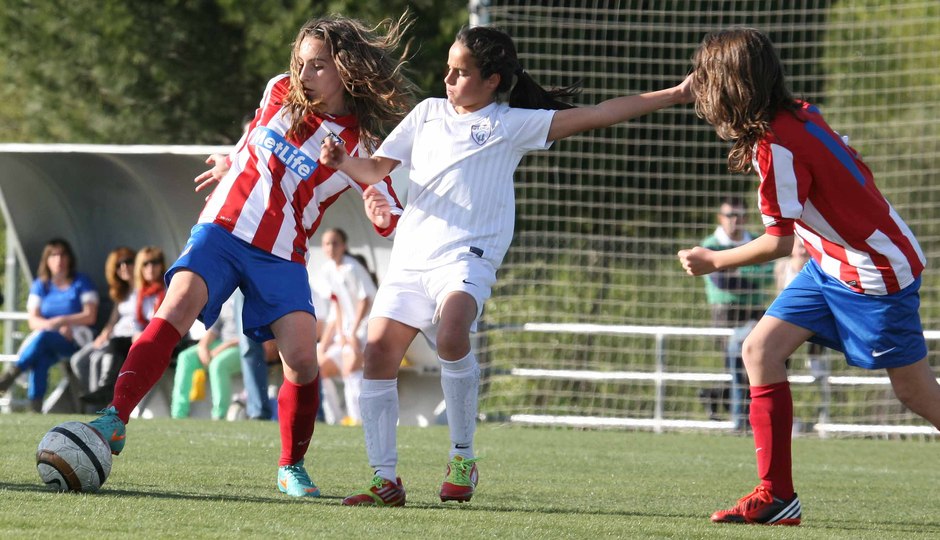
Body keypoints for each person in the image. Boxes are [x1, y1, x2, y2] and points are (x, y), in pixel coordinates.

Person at [320, 25, 693, 506]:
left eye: (461, 72)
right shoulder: (426, 113)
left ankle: (462, 459)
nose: (449, 79)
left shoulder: (510, 123)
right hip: (411, 258)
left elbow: (599, 113)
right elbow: (374, 171)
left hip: (466, 255)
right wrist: (343, 161)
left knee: (453, 331)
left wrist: (678, 93)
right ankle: (384, 479)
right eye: (449, 69)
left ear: (493, 80)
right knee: (376, 353)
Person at [86, 13, 412, 499]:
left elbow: (388, 210)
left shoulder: (359, 143)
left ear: (347, 68)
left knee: (303, 360)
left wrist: (381, 210)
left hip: (281, 255)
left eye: (318, 66)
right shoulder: (279, 89)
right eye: (301, 63)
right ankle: (114, 418)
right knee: (174, 308)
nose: (304, 75)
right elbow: (250, 140)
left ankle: (291, 466)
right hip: (222, 227)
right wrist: (230, 161)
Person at [677, 28, 937, 526]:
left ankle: (776, 494)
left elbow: (776, 241)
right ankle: (776, 496)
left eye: (707, 80)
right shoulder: (795, 112)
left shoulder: (777, 146)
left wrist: (713, 261)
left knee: (915, 392)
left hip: (872, 273)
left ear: (732, 86)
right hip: (830, 262)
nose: (700, 91)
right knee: (759, 350)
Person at [696, 196, 773, 430]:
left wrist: (735, 271)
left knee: (767, 362)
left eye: (739, 215)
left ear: (746, 218)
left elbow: (769, 274)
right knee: (737, 365)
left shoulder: (757, 242)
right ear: (721, 218)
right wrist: (750, 273)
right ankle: (741, 419)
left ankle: (717, 398)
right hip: (725, 313)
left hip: (756, 311)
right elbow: (721, 281)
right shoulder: (711, 244)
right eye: (729, 215)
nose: (734, 220)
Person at [0, 238, 98, 412]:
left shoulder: (81, 282)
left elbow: (90, 316)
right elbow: (33, 321)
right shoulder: (41, 285)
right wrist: (55, 325)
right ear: (46, 260)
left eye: (62, 254)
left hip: (75, 340)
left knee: (43, 338)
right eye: (53, 255)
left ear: (69, 258)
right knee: (41, 359)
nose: (58, 260)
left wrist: (63, 321)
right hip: (49, 339)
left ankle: (11, 375)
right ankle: (35, 408)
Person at [79, 246, 167, 409]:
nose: (150, 268)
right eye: (146, 264)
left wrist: (139, 334)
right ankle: (97, 399)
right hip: (126, 337)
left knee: (104, 355)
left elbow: (157, 322)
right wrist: (105, 334)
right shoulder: (131, 293)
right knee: (81, 359)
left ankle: (103, 400)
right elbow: (118, 320)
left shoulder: (163, 291)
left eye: (154, 263)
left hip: (148, 341)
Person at [315, 228, 377, 426]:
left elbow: (365, 300)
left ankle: (359, 419)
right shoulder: (327, 270)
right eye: (326, 243)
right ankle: (336, 419)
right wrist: (338, 333)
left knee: (351, 368)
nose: (330, 248)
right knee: (321, 368)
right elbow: (337, 303)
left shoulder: (352, 267)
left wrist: (353, 332)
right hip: (347, 330)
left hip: (367, 325)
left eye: (335, 243)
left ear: (344, 245)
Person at [70, 246, 136, 409]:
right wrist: (103, 336)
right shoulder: (123, 293)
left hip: (128, 340)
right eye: (119, 265)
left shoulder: (145, 291)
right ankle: (93, 396)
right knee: (78, 360)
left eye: (128, 262)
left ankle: (98, 405)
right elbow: (113, 321)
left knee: (97, 359)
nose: (124, 268)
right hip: (114, 337)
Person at [774, 239, 830, 427]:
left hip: (812, 321)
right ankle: (786, 420)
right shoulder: (782, 268)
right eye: (800, 247)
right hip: (787, 321)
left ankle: (814, 357)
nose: (803, 252)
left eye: (807, 248)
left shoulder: (818, 268)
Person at [170, 296, 240, 420]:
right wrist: (203, 346)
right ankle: (178, 414)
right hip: (220, 344)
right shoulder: (228, 298)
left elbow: (250, 336)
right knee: (185, 357)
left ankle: (219, 415)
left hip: (242, 348)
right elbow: (214, 329)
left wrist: (221, 348)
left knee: (218, 364)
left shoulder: (251, 296)